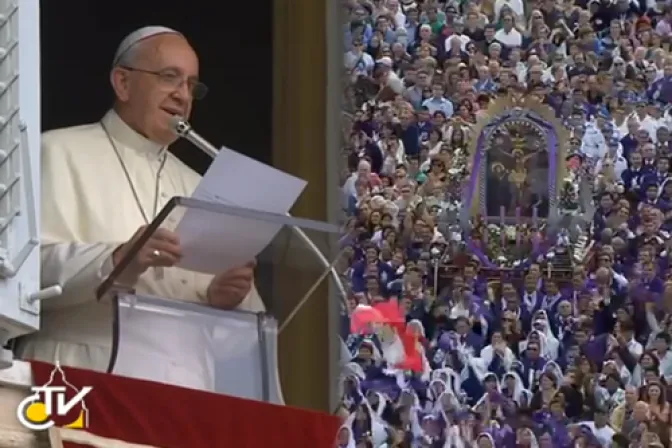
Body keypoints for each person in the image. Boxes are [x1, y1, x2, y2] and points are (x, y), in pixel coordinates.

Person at [15, 26, 265, 388]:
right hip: (81, 374)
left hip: (189, 389)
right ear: (122, 83)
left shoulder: (201, 187)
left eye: (191, 85)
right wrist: (115, 260)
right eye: (169, 78)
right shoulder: (54, 152)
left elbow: (239, 344)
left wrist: (220, 301)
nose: (182, 95)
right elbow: (18, 274)